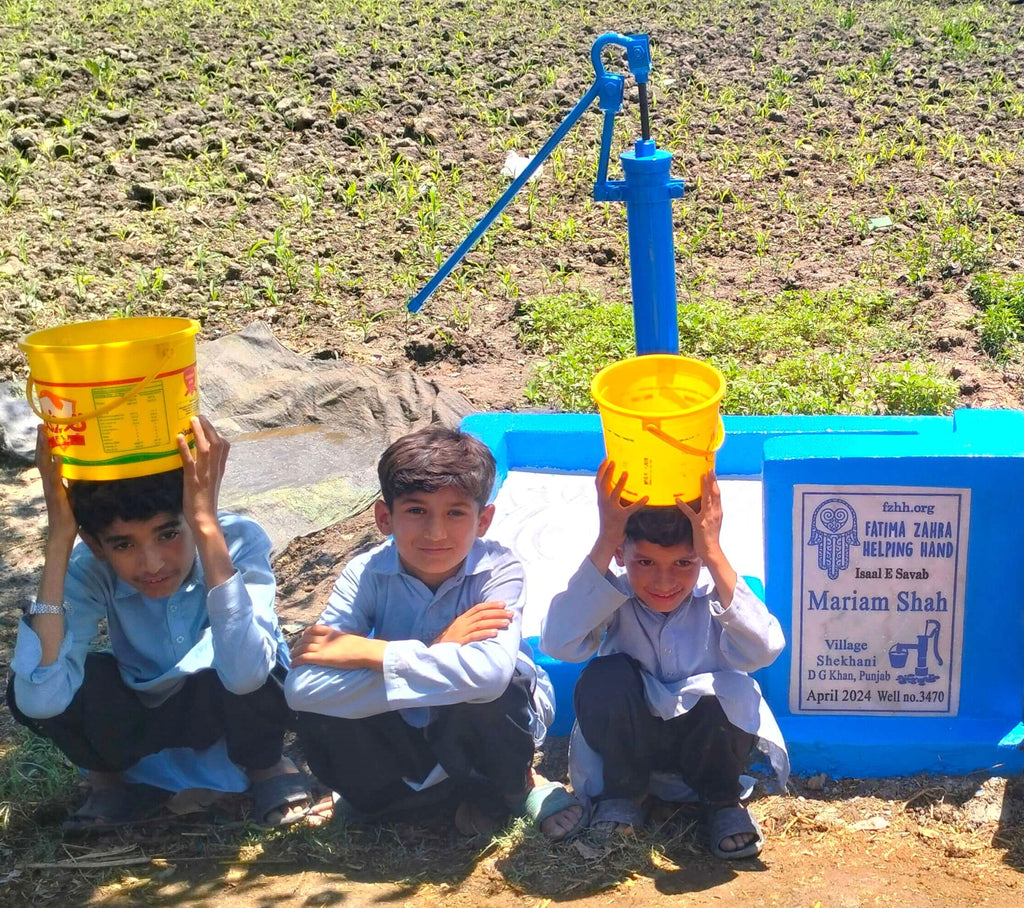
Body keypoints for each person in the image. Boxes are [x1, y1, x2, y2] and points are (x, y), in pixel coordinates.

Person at [8, 416, 311, 834]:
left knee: (258, 664)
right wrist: (60, 537)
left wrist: (206, 528)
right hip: (144, 709)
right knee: (42, 677)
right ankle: (109, 781)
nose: (151, 564)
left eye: (168, 534)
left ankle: (267, 767)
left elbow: (245, 674)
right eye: (123, 544)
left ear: (193, 513)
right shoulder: (89, 566)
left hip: (224, 700)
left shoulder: (237, 540)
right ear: (97, 545)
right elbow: (38, 698)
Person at [285, 426, 584, 840]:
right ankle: (406, 797)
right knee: (321, 712)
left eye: (455, 513)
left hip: (488, 720)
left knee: (496, 687)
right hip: (413, 718)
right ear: (384, 517)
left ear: (484, 520)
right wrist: (439, 649)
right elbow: (303, 689)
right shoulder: (365, 572)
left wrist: (372, 653)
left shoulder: (498, 570)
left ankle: (515, 789)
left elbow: (489, 676)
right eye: (416, 511)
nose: (436, 533)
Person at [541, 460, 789, 859]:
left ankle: (721, 803)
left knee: (725, 691)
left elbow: (765, 649)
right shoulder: (614, 599)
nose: (663, 582)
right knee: (603, 676)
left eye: (683, 563)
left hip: (707, 749)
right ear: (623, 557)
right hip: (630, 751)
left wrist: (713, 552)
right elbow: (558, 643)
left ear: (701, 561)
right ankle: (623, 796)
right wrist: (607, 538)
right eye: (645, 562)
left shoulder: (715, 599)